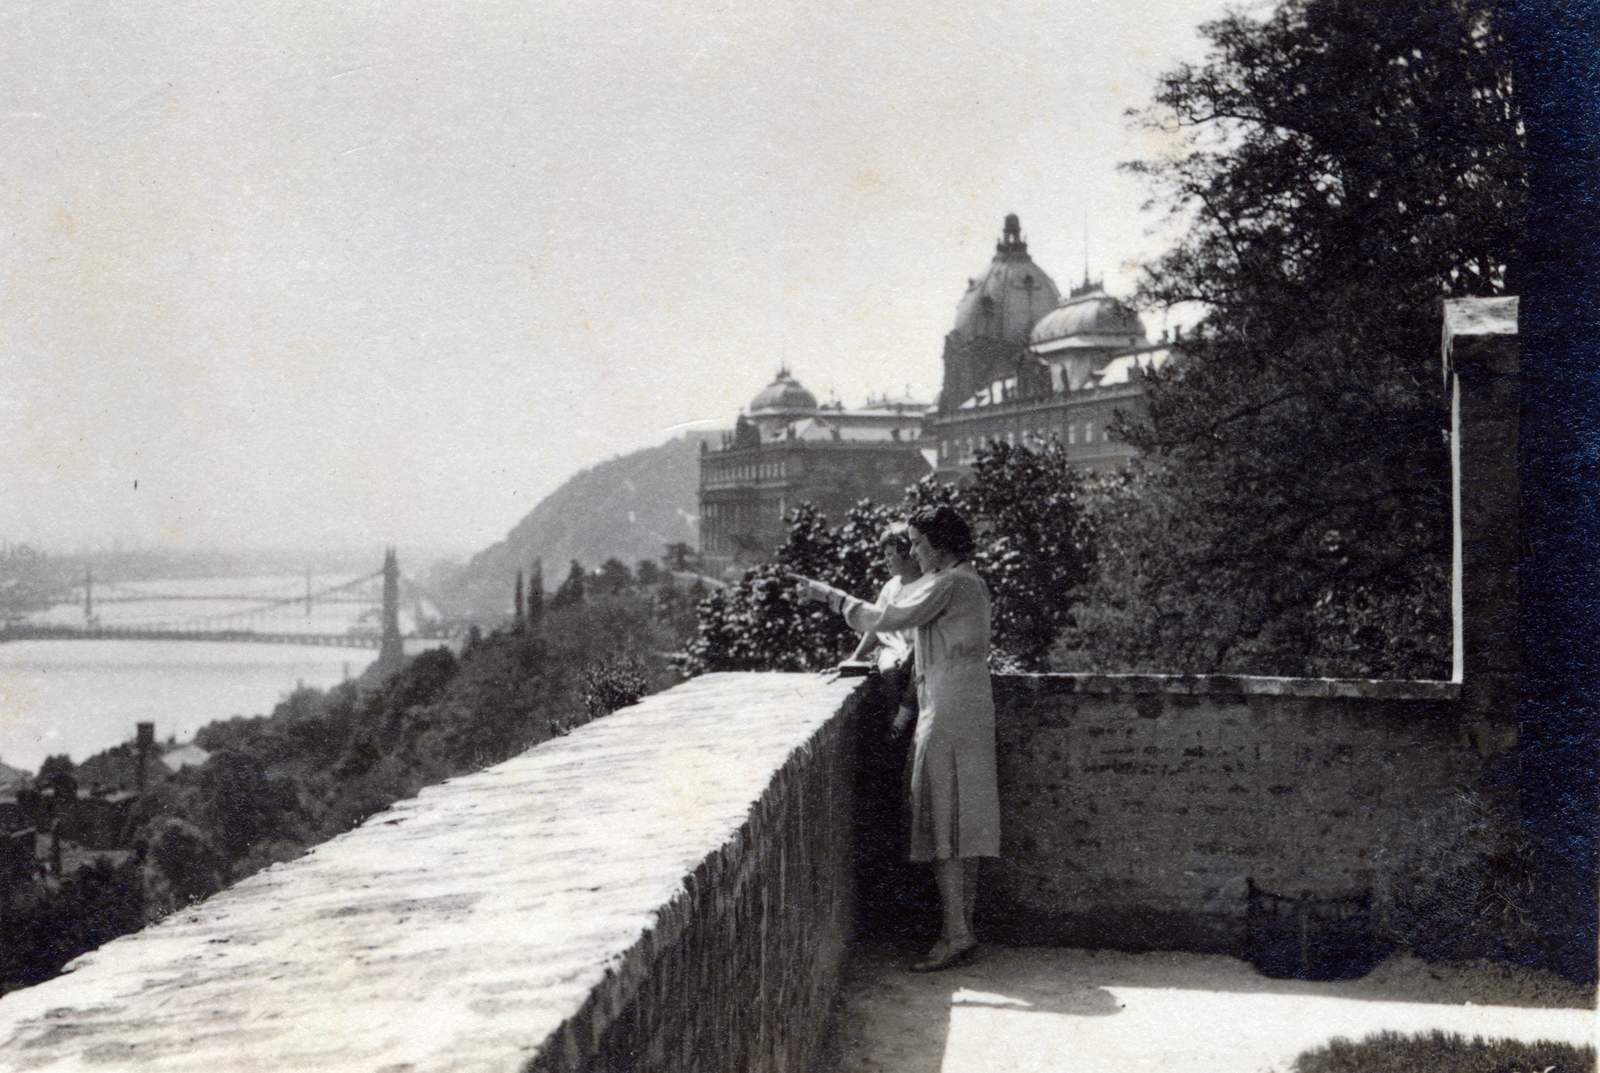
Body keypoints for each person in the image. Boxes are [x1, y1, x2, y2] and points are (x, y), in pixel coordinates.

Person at [797, 505, 999, 972]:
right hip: (968, 701)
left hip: (946, 704)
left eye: (917, 543)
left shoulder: (947, 583)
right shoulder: (968, 580)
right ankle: (962, 928)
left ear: (939, 545)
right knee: (963, 817)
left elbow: (882, 619)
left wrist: (829, 596)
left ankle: (955, 934)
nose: (911, 552)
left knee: (940, 813)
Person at [847, 523, 922, 738]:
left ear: (908, 555)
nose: (885, 560)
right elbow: (875, 625)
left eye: (890, 554)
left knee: (916, 675)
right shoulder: (891, 587)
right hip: (895, 646)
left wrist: (910, 655)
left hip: (920, 646)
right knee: (888, 669)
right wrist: (856, 656)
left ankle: (902, 718)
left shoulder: (925, 585)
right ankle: (892, 717)